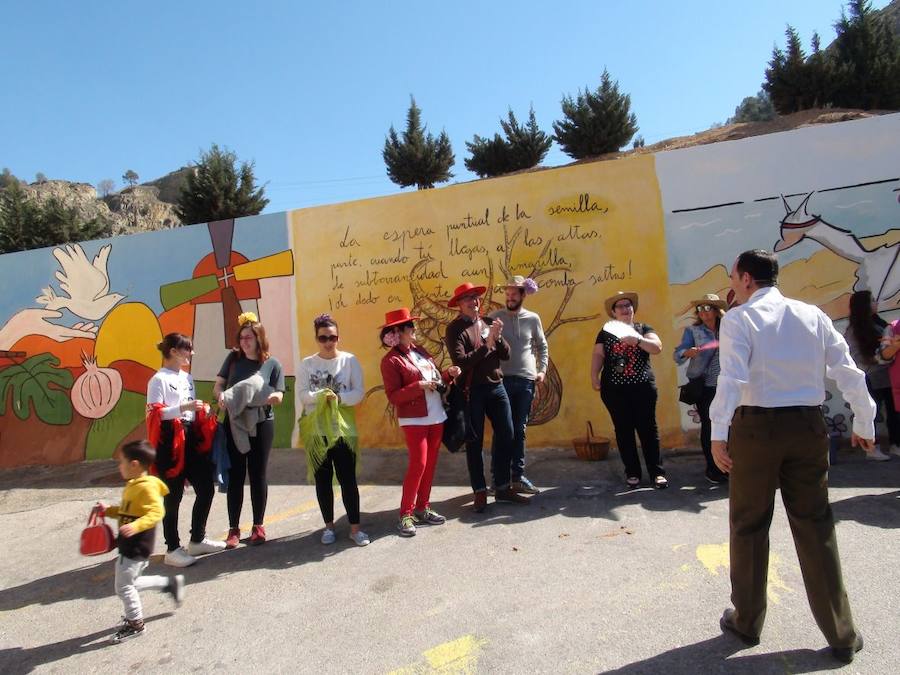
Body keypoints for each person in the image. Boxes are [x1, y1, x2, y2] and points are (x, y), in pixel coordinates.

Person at [710, 249, 875, 664]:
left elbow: (732, 377)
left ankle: (747, 621)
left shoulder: (739, 318)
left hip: (756, 428)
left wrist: (717, 433)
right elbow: (846, 367)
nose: (732, 284)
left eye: (733, 276)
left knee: (749, 524)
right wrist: (865, 419)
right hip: (807, 426)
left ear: (746, 278)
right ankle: (841, 633)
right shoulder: (812, 314)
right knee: (816, 525)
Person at [444, 282, 529, 512]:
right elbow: (462, 361)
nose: (474, 302)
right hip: (472, 391)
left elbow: (506, 354)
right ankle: (480, 491)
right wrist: (487, 344)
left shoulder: (488, 323)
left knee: (508, 434)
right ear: (459, 305)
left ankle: (501, 487)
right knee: (475, 442)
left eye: (476, 298)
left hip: (496, 386)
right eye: (468, 299)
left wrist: (497, 338)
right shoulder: (455, 330)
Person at [379, 308, 461, 536]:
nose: (415, 329)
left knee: (431, 464)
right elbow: (394, 396)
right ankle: (405, 513)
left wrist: (447, 374)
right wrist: (419, 387)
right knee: (419, 464)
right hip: (414, 418)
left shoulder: (421, 352)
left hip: (436, 415)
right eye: (410, 327)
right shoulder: (390, 361)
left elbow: (434, 379)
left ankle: (423, 508)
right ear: (398, 332)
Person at [146, 333, 223, 567]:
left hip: (190, 436)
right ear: (173, 351)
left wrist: (201, 411)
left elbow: (188, 410)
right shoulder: (158, 380)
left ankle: (197, 539)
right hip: (170, 439)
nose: (191, 353)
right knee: (173, 495)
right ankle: (172, 548)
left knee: (206, 488)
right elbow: (155, 413)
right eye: (187, 349)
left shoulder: (187, 377)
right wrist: (183, 407)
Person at [99, 440, 185, 643]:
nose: (119, 466)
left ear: (135, 464)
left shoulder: (146, 488)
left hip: (135, 546)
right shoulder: (134, 485)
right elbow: (128, 511)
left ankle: (135, 623)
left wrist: (136, 527)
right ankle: (170, 584)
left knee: (123, 587)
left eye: (122, 462)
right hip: (132, 545)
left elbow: (157, 512)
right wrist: (109, 511)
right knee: (132, 582)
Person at [214, 312, 285, 548]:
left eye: (250, 337)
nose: (245, 341)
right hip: (234, 421)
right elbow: (218, 386)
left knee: (258, 473)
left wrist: (271, 398)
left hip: (262, 421)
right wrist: (221, 397)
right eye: (242, 337)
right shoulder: (232, 359)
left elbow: (279, 394)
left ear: (259, 339)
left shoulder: (272, 363)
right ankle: (234, 529)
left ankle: (258, 525)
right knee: (236, 474)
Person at [298, 313, 369, 546]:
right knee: (323, 480)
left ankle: (355, 529)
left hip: (343, 430)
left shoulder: (349, 360)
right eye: (323, 338)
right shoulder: (307, 364)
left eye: (333, 337)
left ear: (338, 337)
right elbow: (302, 395)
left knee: (348, 480)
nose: (329, 342)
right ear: (316, 338)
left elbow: (359, 393)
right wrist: (321, 396)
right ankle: (328, 527)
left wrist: (338, 397)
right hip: (317, 431)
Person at [591, 291, 667, 489]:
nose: (625, 309)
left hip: (643, 388)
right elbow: (598, 355)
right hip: (614, 390)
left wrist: (638, 341)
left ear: (633, 309)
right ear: (614, 312)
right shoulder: (605, 332)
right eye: (620, 306)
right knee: (623, 431)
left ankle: (657, 472)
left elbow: (657, 347)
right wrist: (594, 376)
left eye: (628, 305)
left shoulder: (643, 328)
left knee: (648, 430)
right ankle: (632, 472)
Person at [489, 275, 549, 495]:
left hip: (525, 380)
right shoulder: (495, 318)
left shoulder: (533, 318)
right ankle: (498, 478)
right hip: (501, 380)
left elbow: (542, 346)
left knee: (520, 429)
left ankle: (518, 476)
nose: (510, 297)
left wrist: (541, 371)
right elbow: (487, 346)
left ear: (523, 294)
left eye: (514, 293)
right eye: (507, 293)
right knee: (502, 430)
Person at [673, 293, 729, 483]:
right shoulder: (693, 331)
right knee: (710, 425)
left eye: (707, 308)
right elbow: (678, 354)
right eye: (700, 309)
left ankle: (730, 465)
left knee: (733, 426)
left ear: (716, 310)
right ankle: (714, 468)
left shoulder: (729, 327)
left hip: (730, 384)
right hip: (706, 386)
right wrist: (687, 352)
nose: (703, 312)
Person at [844, 290, 895, 460]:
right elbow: (855, 356)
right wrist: (879, 359)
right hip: (870, 377)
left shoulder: (878, 323)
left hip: (888, 376)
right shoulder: (854, 330)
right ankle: (871, 449)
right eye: (872, 300)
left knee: (894, 412)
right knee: (870, 413)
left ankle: (895, 444)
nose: (876, 303)